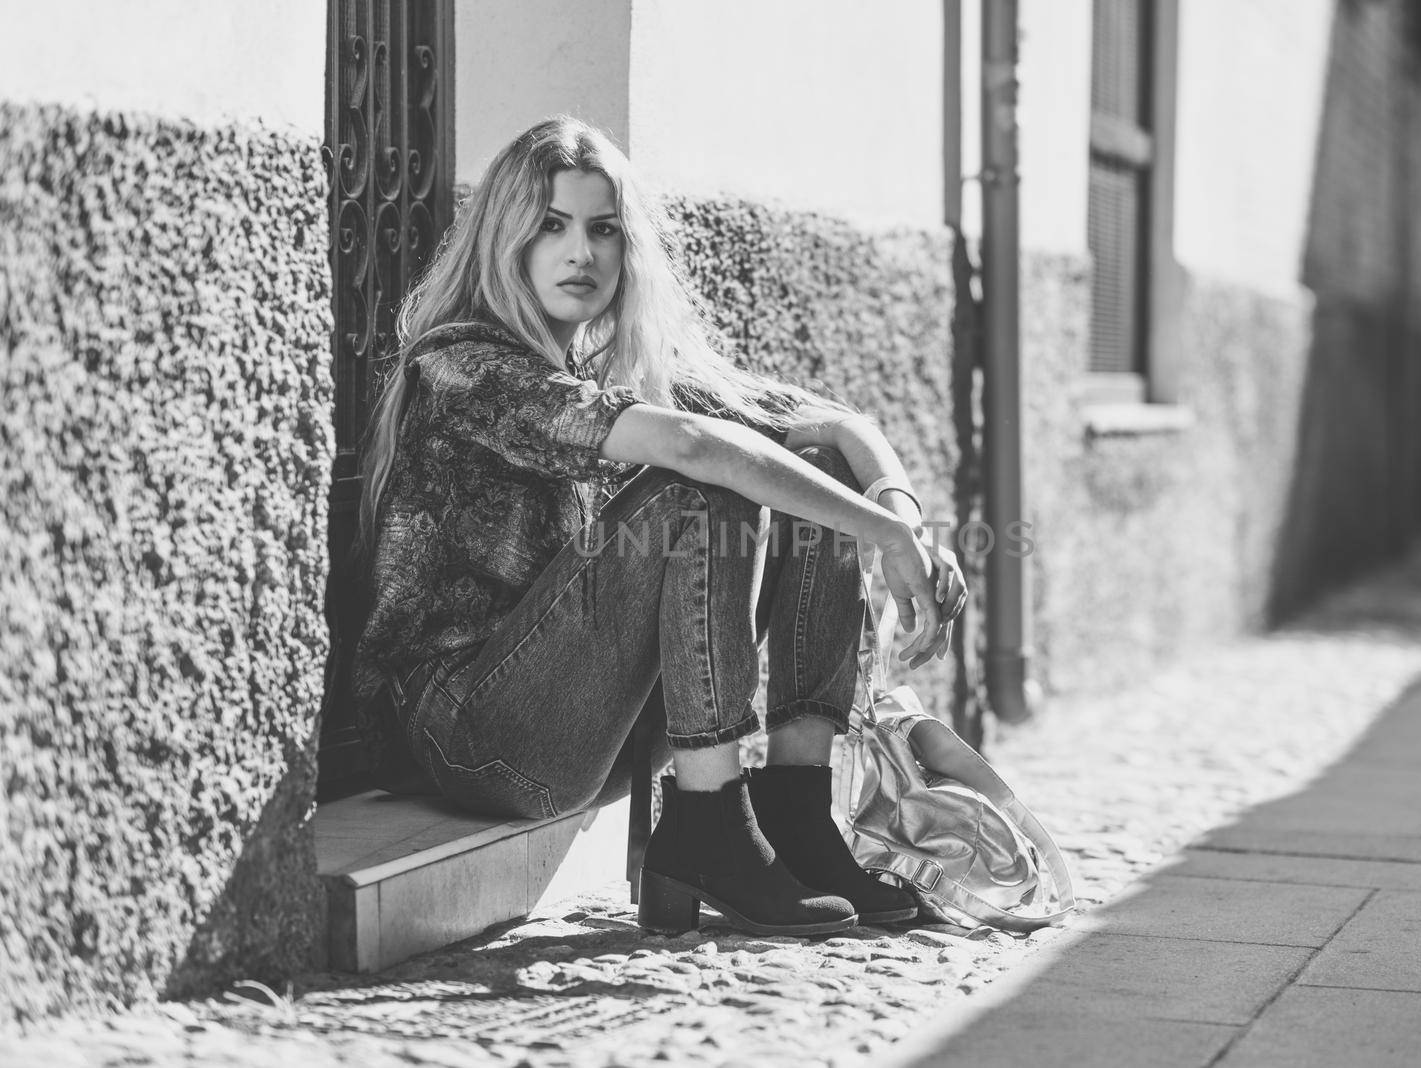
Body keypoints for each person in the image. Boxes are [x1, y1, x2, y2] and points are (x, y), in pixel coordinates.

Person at [354, 116, 968, 938]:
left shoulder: (600, 371)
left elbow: (837, 427)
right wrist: (887, 543)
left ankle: (792, 809)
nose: (583, 254)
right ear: (505, 238)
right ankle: (709, 819)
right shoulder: (465, 366)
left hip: (587, 721)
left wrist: (898, 512)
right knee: (696, 489)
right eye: (552, 226)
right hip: (473, 733)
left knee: (810, 479)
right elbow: (688, 447)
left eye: (603, 229)